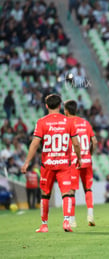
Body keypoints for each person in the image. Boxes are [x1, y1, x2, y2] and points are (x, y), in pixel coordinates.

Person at [21, 94, 82, 233]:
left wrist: (26, 163)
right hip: (64, 164)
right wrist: (79, 158)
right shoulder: (68, 122)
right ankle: (66, 221)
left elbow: (35, 143)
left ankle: (44, 225)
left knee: (45, 194)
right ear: (60, 106)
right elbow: (76, 144)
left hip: (47, 164)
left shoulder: (42, 122)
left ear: (46, 105)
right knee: (66, 193)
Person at [64, 100, 98, 227]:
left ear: (66, 111)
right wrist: (90, 154)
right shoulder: (85, 123)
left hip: (73, 161)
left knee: (71, 191)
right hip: (87, 160)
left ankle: (72, 220)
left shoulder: (66, 123)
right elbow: (94, 141)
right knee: (88, 188)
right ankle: (90, 215)